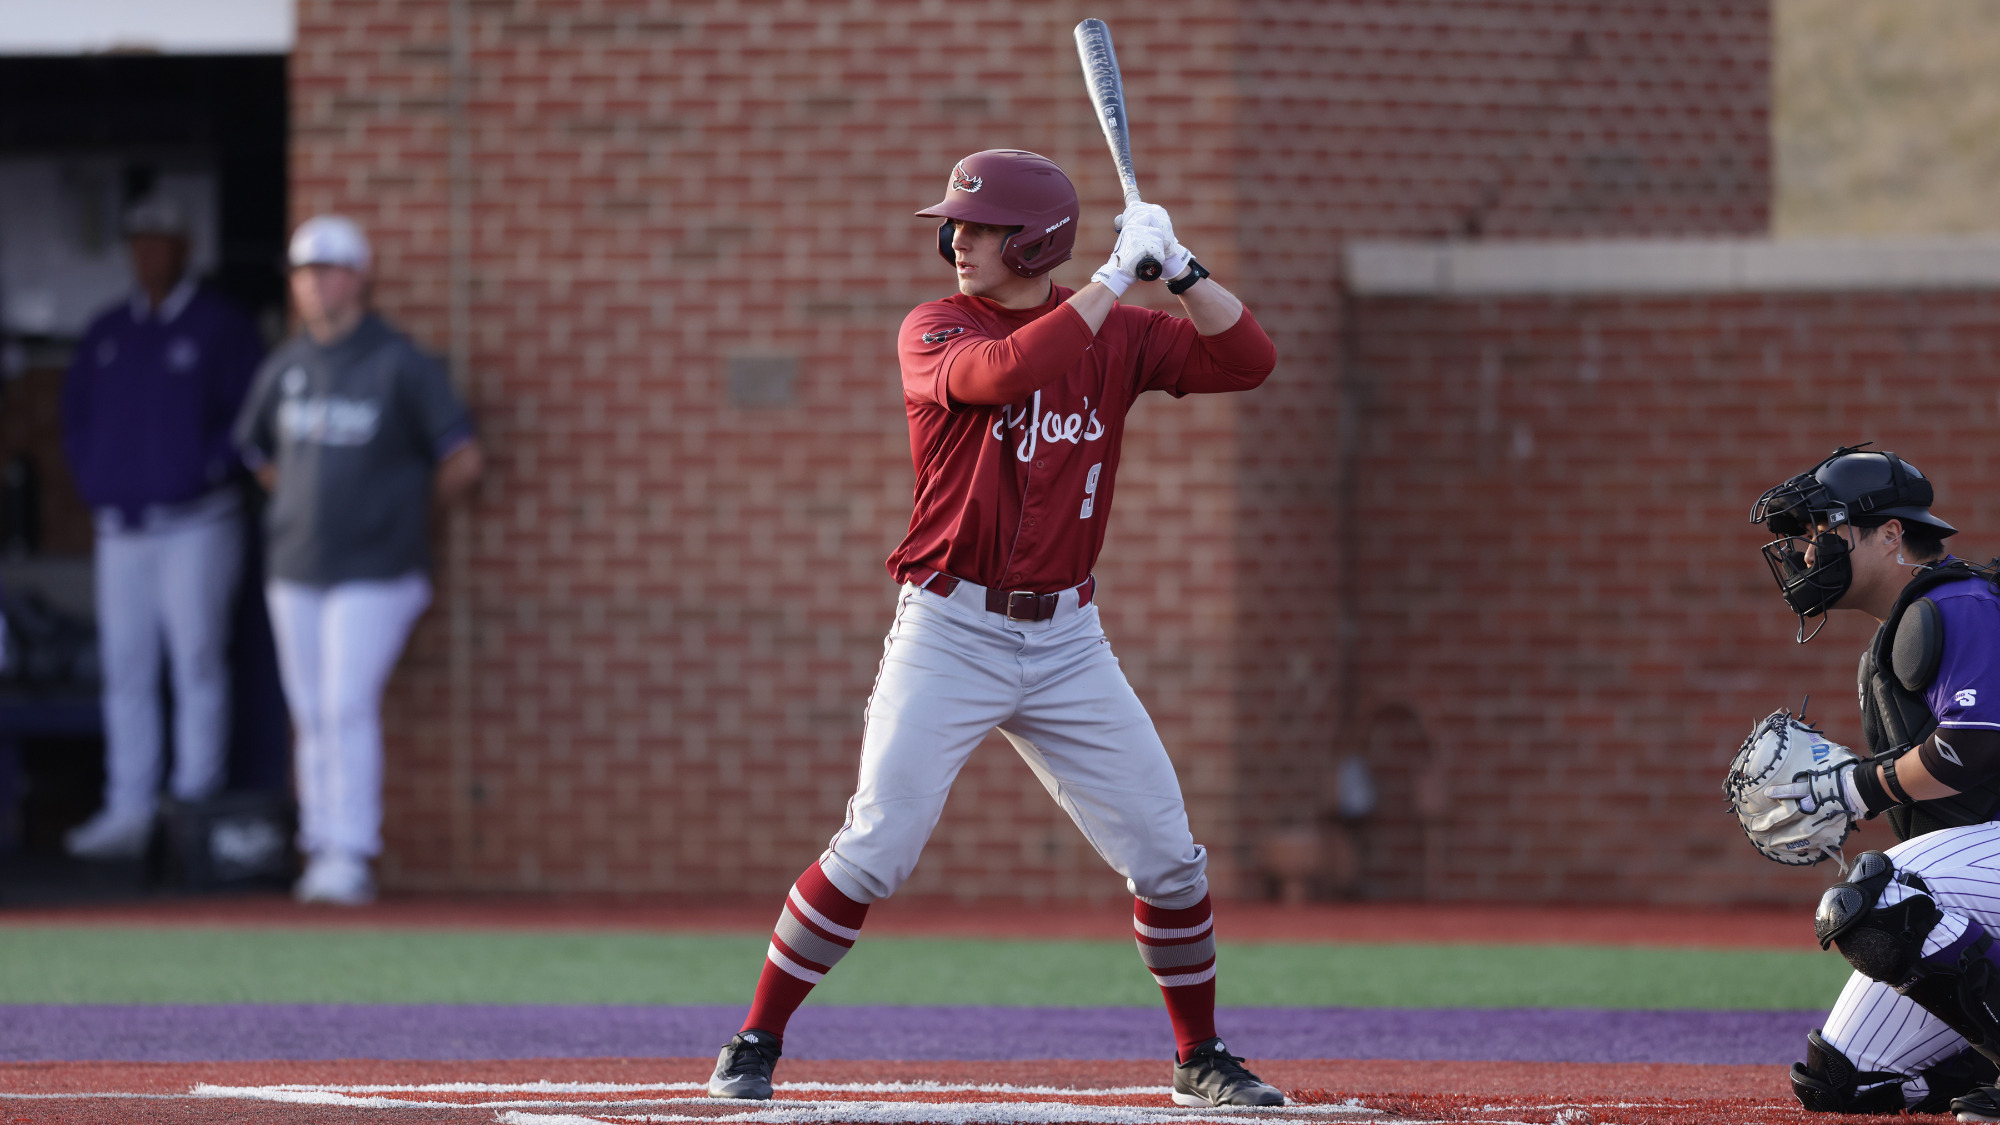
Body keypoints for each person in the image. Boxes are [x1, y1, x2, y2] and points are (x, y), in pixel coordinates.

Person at [704, 150, 1281, 1108]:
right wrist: (1108, 279)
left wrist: (1181, 271)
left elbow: (1249, 361)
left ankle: (1199, 1056)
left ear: (1034, 240)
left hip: (1066, 641)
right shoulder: (935, 327)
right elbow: (1002, 374)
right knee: (877, 843)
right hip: (949, 628)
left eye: (980, 228)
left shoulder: (1124, 334)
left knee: (1169, 856)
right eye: (959, 226)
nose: (959, 242)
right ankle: (755, 1037)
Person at [1732, 446, 2000, 1119]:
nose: (1806, 552)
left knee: (1880, 893)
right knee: (1844, 1081)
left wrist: (1855, 787)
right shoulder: (1890, 641)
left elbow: (1972, 747)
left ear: (1888, 535)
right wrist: (1849, 794)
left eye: (1823, 531)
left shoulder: (1959, 600)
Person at [234, 215, 484, 905]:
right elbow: (256, 454)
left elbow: (463, 460)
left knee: (346, 703)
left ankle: (350, 849)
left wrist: (403, 512)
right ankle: (319, 844)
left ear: (359, 278)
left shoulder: (398, 361)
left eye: (328, 270)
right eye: (304, 272)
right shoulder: (286, 364)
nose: (315, 284)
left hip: (380, 567)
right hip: (296, 565)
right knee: (311, 709)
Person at [59, 194, 265, 859]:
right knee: (126, 667)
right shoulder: (108, 329)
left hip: (196, 522)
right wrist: (96, 479)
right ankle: (130, 806)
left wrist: (204, 470)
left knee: (197, 658)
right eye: (138, 240)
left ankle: (192, 805)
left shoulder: (218, 325)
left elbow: (252, 419)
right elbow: (76, 419)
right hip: (121, 526)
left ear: (184, 249)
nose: (148, 252)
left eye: (161, 240)